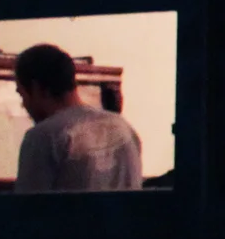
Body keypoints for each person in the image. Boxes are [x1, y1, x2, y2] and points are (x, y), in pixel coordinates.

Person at [12, 44, 142, 193]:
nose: (23, 105)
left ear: (37, 88)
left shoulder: (42, 137)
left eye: (22, 95)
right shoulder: (124, 127)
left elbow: (27, 210)